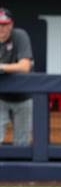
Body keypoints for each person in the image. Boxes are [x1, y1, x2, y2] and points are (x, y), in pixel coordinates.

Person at [0, 8, 33, 146]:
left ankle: (21, 168)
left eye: (4, 25)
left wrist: (1, 67)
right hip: (1, 97)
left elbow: (25, 66)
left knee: (22, 143)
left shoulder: (19, 35)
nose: (1, 29)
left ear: (11, 25)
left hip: (22, 97)